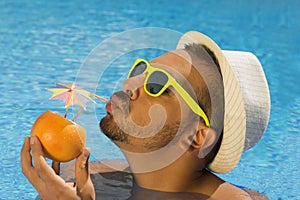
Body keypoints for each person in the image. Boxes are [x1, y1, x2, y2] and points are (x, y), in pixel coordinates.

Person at [21, 31, 270, 199]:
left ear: (197, 137)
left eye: (157, 83)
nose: (129, 83)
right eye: (142, 68)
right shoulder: (86, 179)